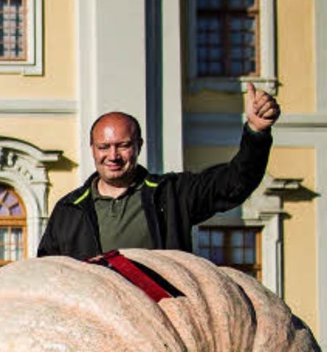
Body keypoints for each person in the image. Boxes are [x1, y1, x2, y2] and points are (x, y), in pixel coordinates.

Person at [37, 85, 280, 259]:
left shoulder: (172, 194)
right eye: (104, 147)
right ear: (92, 149)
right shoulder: (68, 210)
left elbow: (234, 183)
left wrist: (256, 133)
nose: (113, 156)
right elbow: (48, 276)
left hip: (161, 322)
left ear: (138, 146)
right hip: (95, 329)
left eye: (123, 146)